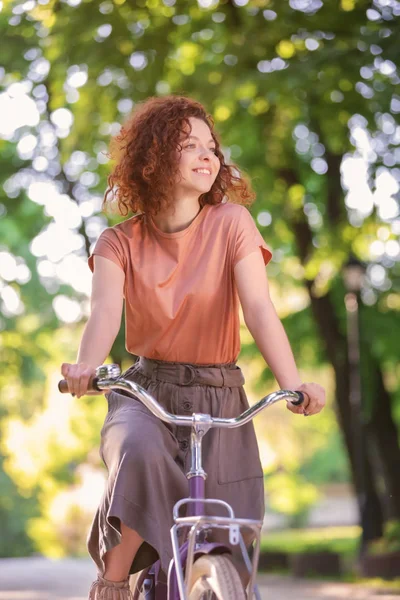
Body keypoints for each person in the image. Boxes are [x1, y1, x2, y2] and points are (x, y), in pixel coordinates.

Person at [61, 95, 325, 599]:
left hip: (219, 391)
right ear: (154, 158)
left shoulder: (231, 223)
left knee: (227, 530)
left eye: (212, 147)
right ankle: (113, 584)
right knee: (138, 454)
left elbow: (260, 309)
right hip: (145, 393)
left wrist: (293, 386)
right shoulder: (117, 242)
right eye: (189, 146)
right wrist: (86, 368)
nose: (209, 156)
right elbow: (104, 314)